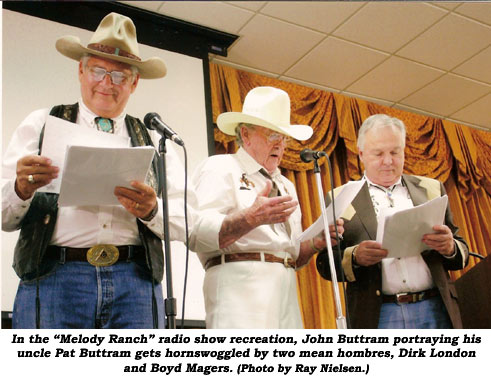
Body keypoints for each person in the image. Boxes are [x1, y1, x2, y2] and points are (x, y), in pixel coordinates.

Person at [2, 13, 188, 328]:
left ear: (134, 82)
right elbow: (3, 217)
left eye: (119, 76)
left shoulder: (155, 138)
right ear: (81, 70)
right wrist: (21, 189)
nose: (106, 83)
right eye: (98, 71)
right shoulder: (41, 123)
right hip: (54, 278)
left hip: (136, 282)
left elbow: (187, 220)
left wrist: (153, 210)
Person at [189, 86, 344, 328]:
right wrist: (251, 218)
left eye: (284, 138)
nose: (280, 145)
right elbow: (197, 233)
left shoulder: (286, 185)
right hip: (239, 289)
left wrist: (315, 243)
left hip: (286, 288)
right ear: (245, 134)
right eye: (272, 135)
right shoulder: (220, 168)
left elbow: (290, 253)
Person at [316, 114, 469, 329]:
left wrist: (450, 247)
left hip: (435, 307)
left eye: (395, 152)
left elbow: (462, 251)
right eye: (378, 153)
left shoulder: (431, 188)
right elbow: (325, 264)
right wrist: (355, 257)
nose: (388, 161)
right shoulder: (339, 197)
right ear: (361, 154)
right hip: (378, 314)